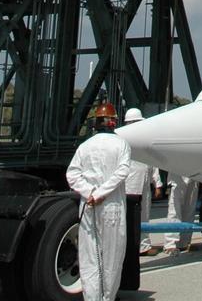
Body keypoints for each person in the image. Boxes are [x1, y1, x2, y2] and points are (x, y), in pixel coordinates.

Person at [66, 101, 131, 301]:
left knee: (89, 259)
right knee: (112, 258)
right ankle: (107, 298)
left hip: (88, 206)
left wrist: (90, 193)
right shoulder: (121, 144)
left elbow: (72, 174)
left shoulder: (85, 146)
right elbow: (122, 171)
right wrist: (102, 192)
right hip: (111, 206)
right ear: (113, 123)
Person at [123, 107, 161, 256]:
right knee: (129, 216)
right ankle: (129, 246)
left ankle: (144, 246)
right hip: (129, 185)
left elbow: (152, 162)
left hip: (144, 183)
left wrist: (157, 183)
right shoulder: (123, 141)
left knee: (145, 215)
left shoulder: (145, 139)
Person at [162, 172, 198, 255]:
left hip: (194, 174)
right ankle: (170, 244)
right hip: (177, 174)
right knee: (174, 209)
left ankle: (184, 243)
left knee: (190, 209)